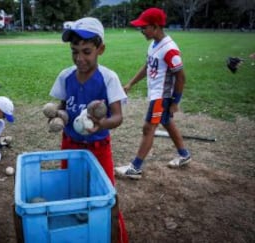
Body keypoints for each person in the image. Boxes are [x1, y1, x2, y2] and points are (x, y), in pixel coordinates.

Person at [49, 17, 128, 243]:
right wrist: (59, 117)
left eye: (86, 51)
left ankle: (116, 238)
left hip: (99, 147)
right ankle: (77, 234)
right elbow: (63, 109)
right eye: (74, 51)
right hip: (70, 145)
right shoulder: (66, 76)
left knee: (106, 196)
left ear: (100, 49)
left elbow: (118, 117)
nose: (79, 58)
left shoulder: (108, 78)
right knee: (71, 189)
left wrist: (101, 125)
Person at [115, 8, 191, 179]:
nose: (141, 31)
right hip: (156, 94)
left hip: (162, 97)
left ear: (155, 27)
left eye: (144, 27)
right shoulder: (153, 44)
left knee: (148, 128)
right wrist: (130, 84)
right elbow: (148, 66)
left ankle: (135, 168)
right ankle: (184, 154)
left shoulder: (170, 50)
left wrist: (174, 102)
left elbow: (181, 77)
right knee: (167, 122)